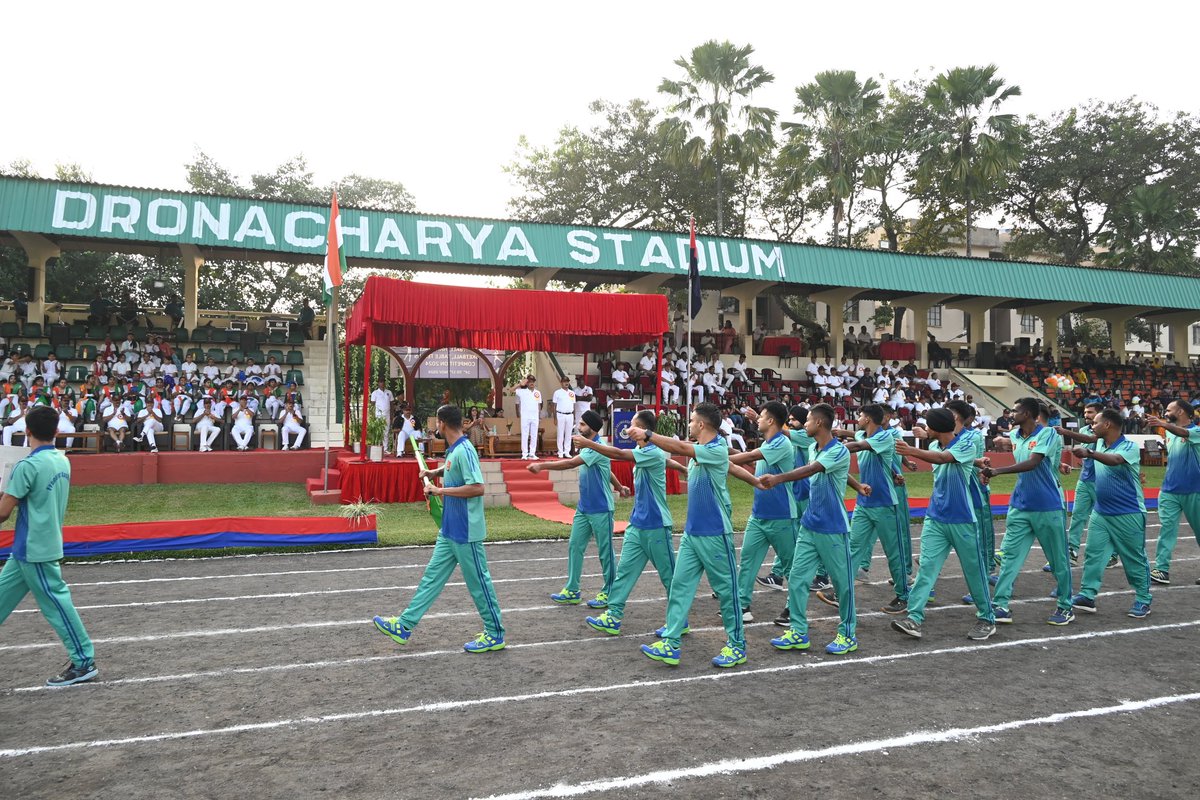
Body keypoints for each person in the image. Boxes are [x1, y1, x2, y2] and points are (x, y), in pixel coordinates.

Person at [373, 404, 506, 653]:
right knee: (430, 579)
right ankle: (404, 625)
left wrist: (438, 490)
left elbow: (477, 487)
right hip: (449, 528)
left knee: (479, 584)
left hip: (466, 531)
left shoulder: (465, 450)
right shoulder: (455, 449)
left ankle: (495, 633)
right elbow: (451, 468)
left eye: (437, 422)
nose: (435, 426)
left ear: (443, 423)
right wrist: (433, 471)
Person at [637, 402, 761, 668]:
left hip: (715, 534)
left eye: (692, 421)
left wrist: (648, 435)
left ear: (702, 425)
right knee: (680, 587)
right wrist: (756, 481)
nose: (690, 425)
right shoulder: (705, 451)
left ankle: (737, 645)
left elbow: (681, 448)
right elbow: (731, 467)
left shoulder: (713, 449)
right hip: (693, 535)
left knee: (727, 592)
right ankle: (671, 642)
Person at [0, 406, 97, 687]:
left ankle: (84, 661)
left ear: (26, 431)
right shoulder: (61, 461)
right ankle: (83, 660)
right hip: (33, 546)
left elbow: (4, 512)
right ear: (56, 432)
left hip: (34, 548)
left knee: (57, 604)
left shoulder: (27, 466)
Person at [757, 403, 863, 655]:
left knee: (842, 584)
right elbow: (831, 470)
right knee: (797, 580)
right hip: (809, 526)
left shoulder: (838, 450)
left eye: (808, 421)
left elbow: (814, 469)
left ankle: (848, 633)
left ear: (820, 424)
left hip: (832, 528)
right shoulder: (815, 447)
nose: (804, 424)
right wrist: (858, 486)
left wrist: (778, 478)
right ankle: (797, 631)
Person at [580, 411, 689, 635]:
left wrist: (588, 444)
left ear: (641, 429)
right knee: (624, 573)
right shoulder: (645, 450)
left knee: (670, 576)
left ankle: (680, 621)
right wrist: (680, 467)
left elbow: (620, 454)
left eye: (632, 425)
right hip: (637, 525)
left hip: (656, 525)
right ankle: (613, 615)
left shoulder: (651, 452)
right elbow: (663, 459)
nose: (628, 427)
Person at [892, 409, 998, 640]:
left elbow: (945, 458)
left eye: (928, 426)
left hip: (962, 520)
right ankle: (914, 618)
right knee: (927, 569)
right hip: (935, 518)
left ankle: (987, 617)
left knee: (973, 571)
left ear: (937, 428)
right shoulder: (933, 447)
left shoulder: (966, 442)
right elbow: (941, 455)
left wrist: (910, 450)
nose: (926, 429)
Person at [980, 397, 1074, 626]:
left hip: (1048, 506)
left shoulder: (1048, 434)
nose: (1011, 413)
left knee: (1058, 559)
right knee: (1010, 556)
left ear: (1030, 414)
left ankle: (1066, 605)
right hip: (1020, 505)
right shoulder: (1014, 435)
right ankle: (1001, 604)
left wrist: (997, 471)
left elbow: (1033, 462)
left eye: (1016, 410)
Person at [529, 410, 621, 607]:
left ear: (593, 428)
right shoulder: (590, 447)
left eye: (582, 425)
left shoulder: (596, 448)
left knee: (605, 552)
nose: (578, 428)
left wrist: (542, 466)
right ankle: (572, 589)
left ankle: (610, 592)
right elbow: (607, 470)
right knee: (575, 546)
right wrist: (620, 486)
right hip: (584, 508)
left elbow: (571, 463)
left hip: (601, 509)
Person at [1068, 408, 1153, 618]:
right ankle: (1087, 594)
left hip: (1128, 512)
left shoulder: (1129, 446)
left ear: (1107, 425)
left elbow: (1115, 460)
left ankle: (1143, 599)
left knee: (1134, 558)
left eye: (1095, 423)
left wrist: (1089, 453)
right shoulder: (1097, 443)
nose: (1092, 426)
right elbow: (1090, 444)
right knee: (1094, 554)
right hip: (1102, 511)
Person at [728, 402, 796, 624]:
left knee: (791, 566)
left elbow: (749, 457)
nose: (757, 419)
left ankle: (793, 609)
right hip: (758, 516)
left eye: (761, 416)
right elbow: (747, 457)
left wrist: (715, 459)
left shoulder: (781, 443)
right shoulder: (769, 442)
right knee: (748, 561)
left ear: (771, 421)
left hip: (783, 515)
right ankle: (742, 605)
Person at [842, 405, 910, 614]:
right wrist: (893, 472)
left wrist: (834, 448)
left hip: (884, 504)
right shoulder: (864, 433)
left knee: (893, 552)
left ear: (869, 419)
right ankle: (842, 592)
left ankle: (903, 595)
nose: (858, 418)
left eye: (861, 416)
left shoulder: (884, 437)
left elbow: (860, 446)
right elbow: (880, 458)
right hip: (864, 502)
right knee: (852, 548)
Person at [1145, 400, 1200, 585]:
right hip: (1169, 490)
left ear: (1181, 411)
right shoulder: (1169, 431)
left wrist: (1162, 423)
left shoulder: (1197, 431)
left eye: (1169, 409)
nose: (1165, 411)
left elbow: (1184, 433)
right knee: (1167, 529)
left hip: (1195, 490)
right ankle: (1161, 569)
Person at [1057, 403, 1103, 564]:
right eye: (1085, 412)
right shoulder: (1083, 430)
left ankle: (1112, 552)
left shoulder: (1104, 431)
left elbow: (1091, 440)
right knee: (1077, 515)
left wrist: (1065, 432)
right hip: (1084, 479)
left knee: (1106, 518)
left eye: (1090, 412)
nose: (1087, 415)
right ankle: (1072, 550)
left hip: (1102, 481)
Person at [511, 374, 541, 460]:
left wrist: (539, 416)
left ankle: (532, 453)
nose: (531, 383)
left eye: (533, 382)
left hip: (535, 416)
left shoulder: (537, 392)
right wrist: (520, 384)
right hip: (525, 416)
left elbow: (539, 405)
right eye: (530, 382)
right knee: (525, 435)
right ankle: (524, 453)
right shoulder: (522, 391)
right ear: (527, 383)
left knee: (534, 435)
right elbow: (511, 390)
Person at [551, 376, 576, 458]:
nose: (566, 383)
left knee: (568, 434)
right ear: (561, 383)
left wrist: (574, 417)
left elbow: (573, 405)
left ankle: (567, 451)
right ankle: (560, 452)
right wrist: (555, 418)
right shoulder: (557, 392)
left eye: (567, 381)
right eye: (565, 381)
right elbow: (554, 406)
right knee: (560, 433)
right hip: (560, 414)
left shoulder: (572, 393)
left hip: (570, 415)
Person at [370, 379, 394, 453]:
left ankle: (385, 449)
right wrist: (372, 415)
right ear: (378, 383)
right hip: (378, 415)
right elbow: (372, 404)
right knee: (378, 432)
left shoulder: (389, 392)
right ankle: (377, 447)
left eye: (383, 382)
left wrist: (391, 415)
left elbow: (392, 404)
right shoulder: (375, 393)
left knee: (386, 431)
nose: (382, 384)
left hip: (387, 414)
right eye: (380, 382)